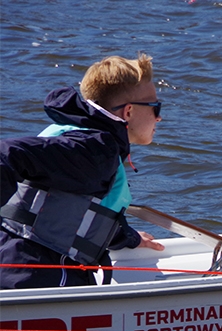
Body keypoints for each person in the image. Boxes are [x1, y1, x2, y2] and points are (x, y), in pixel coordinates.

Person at [0, 52, 164, 289]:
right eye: (155, 107)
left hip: (19, 264)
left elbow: (70, 215)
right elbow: (6, 154)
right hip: (35, 277)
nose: (158, 119)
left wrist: (128, 237)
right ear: (128, 112)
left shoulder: (82, 139)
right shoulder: (94, 150)